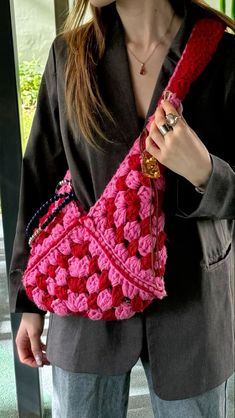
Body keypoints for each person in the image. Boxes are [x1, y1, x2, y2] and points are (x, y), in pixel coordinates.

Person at [9, 0, 235, 417]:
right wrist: (27, 301)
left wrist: (205, 172)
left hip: (192, 304)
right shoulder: (70, 56)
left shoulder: (222, 57)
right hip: (85, 296)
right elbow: (38, 179)